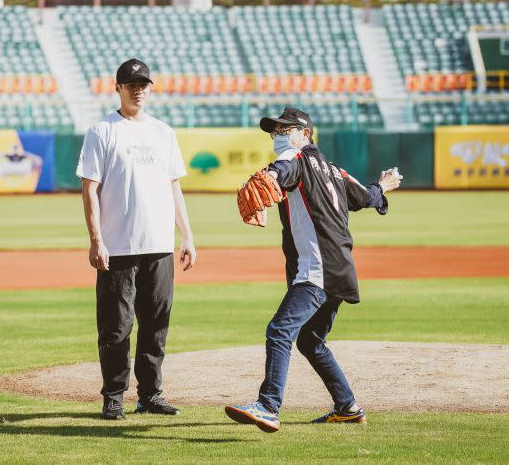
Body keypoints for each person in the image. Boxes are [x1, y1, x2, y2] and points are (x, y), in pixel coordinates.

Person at [225, 106, 402, 432]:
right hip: (342, 271)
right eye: (274, 131)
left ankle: (268, 406)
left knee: (280, 331)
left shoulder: (295, 160)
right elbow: (364, 196)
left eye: (284, 129)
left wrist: (271, 176)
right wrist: (383, 187)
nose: (277, 135)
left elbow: (280, 171)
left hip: (316, 270)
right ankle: (347, 406)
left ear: (305, 133)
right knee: (310, 340)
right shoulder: (337, 171)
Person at [77, 58, 196, 420]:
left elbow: (173, 186)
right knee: (116, 328)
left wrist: (187, 235)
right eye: (131, 84)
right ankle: (113, 396)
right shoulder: (103, 131)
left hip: (158, 245)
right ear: (118, 88)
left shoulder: (163, 132)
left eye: (144, 84)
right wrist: (97, 240)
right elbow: (89, 189)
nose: (138, 89)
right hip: (119, 247)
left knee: (156, 325)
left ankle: (150, 395)